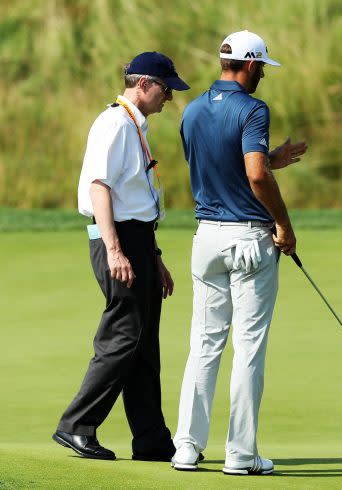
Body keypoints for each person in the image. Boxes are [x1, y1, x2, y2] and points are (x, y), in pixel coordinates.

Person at [172, 30, 307, 476]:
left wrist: (273, 158)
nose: (264, 73)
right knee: (248, 348)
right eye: (263, 66)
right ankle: (240, 455)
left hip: (205, 238)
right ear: (249, 65)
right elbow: (253, 176)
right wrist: (284, 225)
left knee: (204, 346)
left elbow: (220, 163)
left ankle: (186, 449)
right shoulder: (253, 109)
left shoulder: (191, 111)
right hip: (248, 239)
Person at [53, 52, 189, 461]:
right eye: (166, 89)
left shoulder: (135, 124)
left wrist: (155, 256)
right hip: (119, 241)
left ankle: (151, 440)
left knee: (145, 343)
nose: (170, 98)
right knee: (124, 335)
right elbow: (99, 188)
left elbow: (137, 198)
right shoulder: (114, 123)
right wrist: (115, 249)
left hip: (139, 240)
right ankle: (76, 426)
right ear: (145, 84)